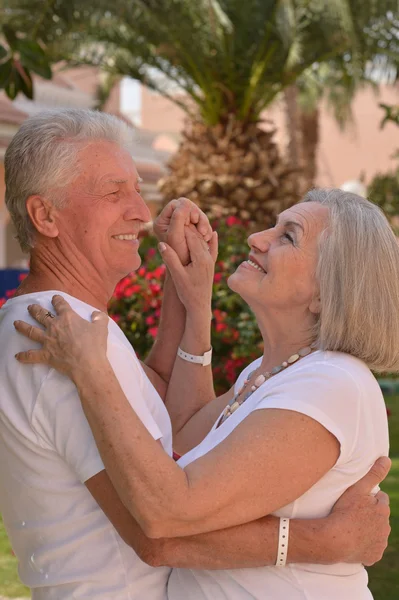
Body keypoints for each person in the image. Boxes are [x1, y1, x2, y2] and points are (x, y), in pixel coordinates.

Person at [0, 109, 390, 600]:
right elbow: (158, 518)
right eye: (114, 192)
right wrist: (325, 541)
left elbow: (161, 429)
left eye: (288, 236)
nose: (142, 212)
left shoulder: (77, 338)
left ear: (325, 291)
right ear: (46, 216)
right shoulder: (56, 333)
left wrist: (186, 304)